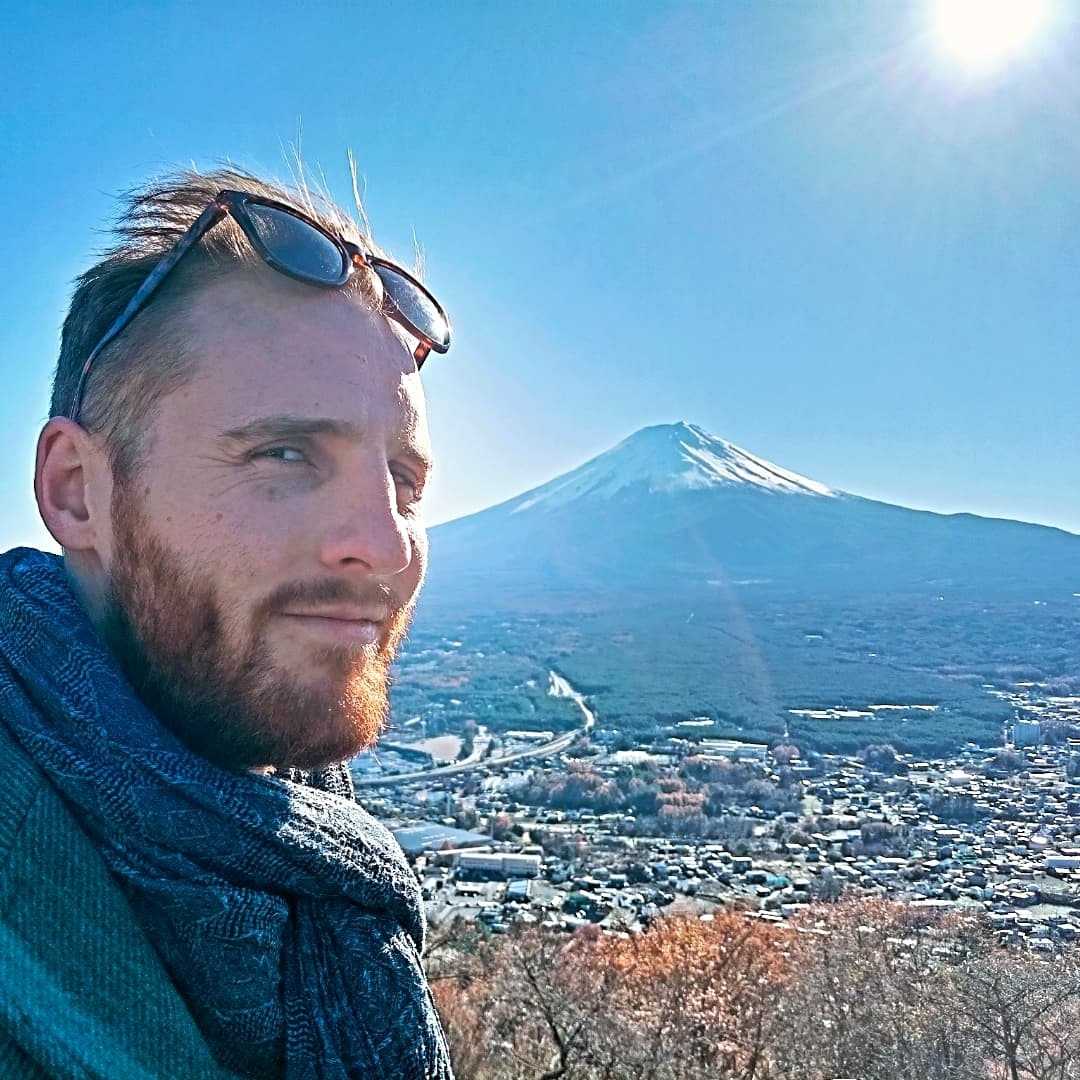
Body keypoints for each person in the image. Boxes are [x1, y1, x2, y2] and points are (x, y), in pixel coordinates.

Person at [0, 167, 455, 1079]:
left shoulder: (307, 852)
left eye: (404, 481)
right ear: (77, 491)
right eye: (284, 453)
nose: (386, 547)